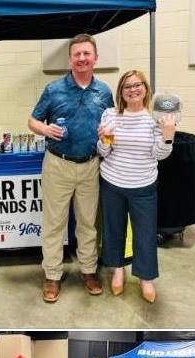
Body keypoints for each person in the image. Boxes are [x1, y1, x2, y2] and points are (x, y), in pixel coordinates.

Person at [28, 33, 114, 303]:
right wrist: (44, 128)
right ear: (70, 59)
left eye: (86, 54)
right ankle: (52, 275)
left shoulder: (104, 92)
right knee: (54, 224)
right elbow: (32, 120)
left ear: (95, 58)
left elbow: (112, 123)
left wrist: (109, 133)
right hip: (58, 165)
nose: (81, 58)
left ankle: (88, 271)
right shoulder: (54, 90)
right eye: (77, 54)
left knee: (88, 223)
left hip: (90, 165)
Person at [97, 70, 175, 304]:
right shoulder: (110, 114)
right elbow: (103, 152)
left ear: (145, 88)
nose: (132, 89)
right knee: (113, 229)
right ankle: (118, 269)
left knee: (145, 233)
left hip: (143, 185)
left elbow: (159, 155)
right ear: (121, 91)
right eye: (127, 86)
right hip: (112, 182)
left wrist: (168, 137)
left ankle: (145, 277)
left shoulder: (155, 118)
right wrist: (104, 140)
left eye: (137, 85)